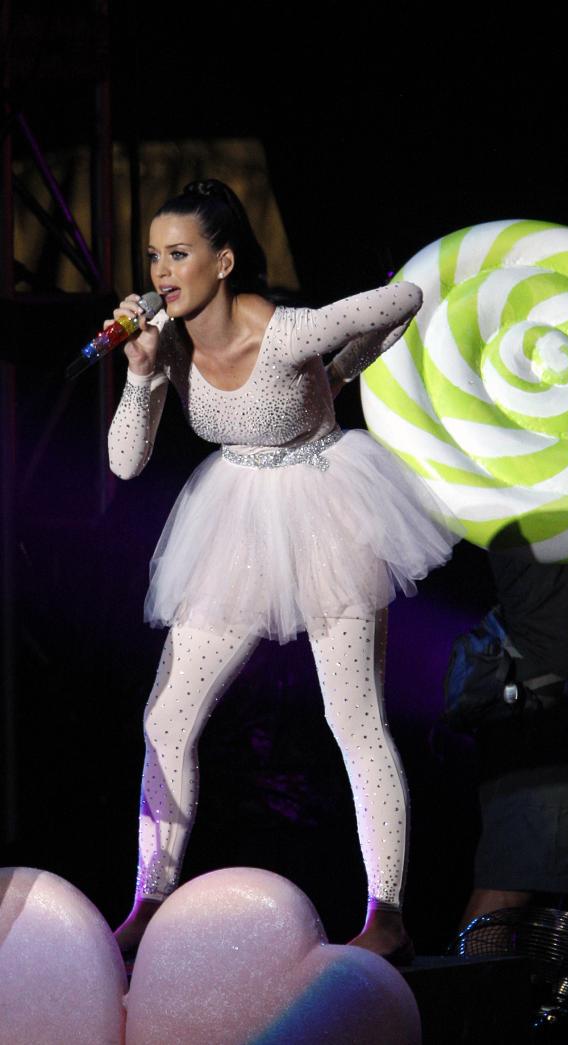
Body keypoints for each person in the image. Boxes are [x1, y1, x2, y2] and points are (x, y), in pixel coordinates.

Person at [107, 179, 455, 962]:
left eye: (179, 254)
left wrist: (336, 375)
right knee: (166, 719)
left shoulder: (289, 331)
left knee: (352, 717)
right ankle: (150, 900)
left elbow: (402, 299)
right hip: (233, 518)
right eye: (154, 256)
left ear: (223, 261)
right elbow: (125, 465)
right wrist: (137, 373)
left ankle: (388, 914)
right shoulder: (166, 345)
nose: (162, 272)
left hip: (327, 510)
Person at [458, 555, 568, 931]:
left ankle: (497, 985)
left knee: (539, 891)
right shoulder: (541, 513)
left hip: (558, 715)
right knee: (508, 891)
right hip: (538, 721)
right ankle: (469, 987)